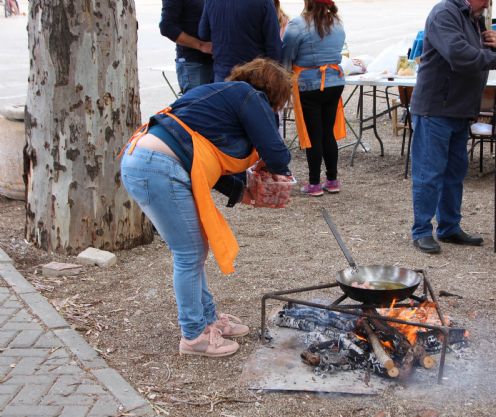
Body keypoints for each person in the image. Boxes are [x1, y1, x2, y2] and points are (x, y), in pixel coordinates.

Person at [119, 59, 292, 358]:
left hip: (150, 162)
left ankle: (208, 319)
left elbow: (204, 158)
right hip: (157, 166)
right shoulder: (248, 96)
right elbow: (278, 155)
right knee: (189, 253)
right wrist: (268, 168)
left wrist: (243, 191)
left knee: (195, 248)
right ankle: (193, 335)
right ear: (272, 93)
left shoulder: (220, 101)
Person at [410, 0, 496, 254]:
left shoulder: (472, 16)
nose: (490, 3)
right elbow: (458, 54)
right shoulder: (444, 13)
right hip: (436, 108)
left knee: (454, 173)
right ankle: (422, 231)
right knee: (429, 174)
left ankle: (449, 227)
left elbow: (473, 52)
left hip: (459, 109)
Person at [282, 0, 346, 196]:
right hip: (334, 82)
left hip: (308, 84)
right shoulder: (336, 23)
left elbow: (287, 55)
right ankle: (333, 179)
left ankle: (314, 183)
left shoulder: (298, 24)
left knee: (313, 134)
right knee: (328, 131)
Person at [198, 0, 282, 83]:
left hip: (223, 74)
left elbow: (203, 34)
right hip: (254, 76)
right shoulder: (264, 2)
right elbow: (274, 47)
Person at [159, 0, 213, 94]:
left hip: (218, 61)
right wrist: (200, 45)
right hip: (194, 64)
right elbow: (166, 27)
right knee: (198, 106)